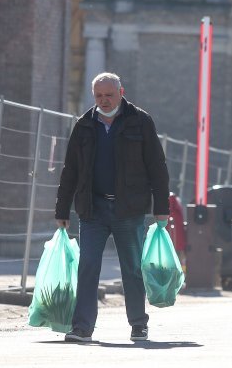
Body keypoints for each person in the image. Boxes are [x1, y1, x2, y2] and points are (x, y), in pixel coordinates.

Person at [55, 72, 170, 343]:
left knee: (131, 269)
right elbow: (70, 169)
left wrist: (161, 207)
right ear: (93, 96)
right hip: (92, 210)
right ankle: (82, 327)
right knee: (88, 267)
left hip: (128, 210)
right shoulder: (84, 124)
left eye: (109, 95)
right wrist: (62, 209)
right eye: (98, 96)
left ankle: (138, 324)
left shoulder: (140, 121)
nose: (104, 101)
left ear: (121, 92)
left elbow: (157, 167)